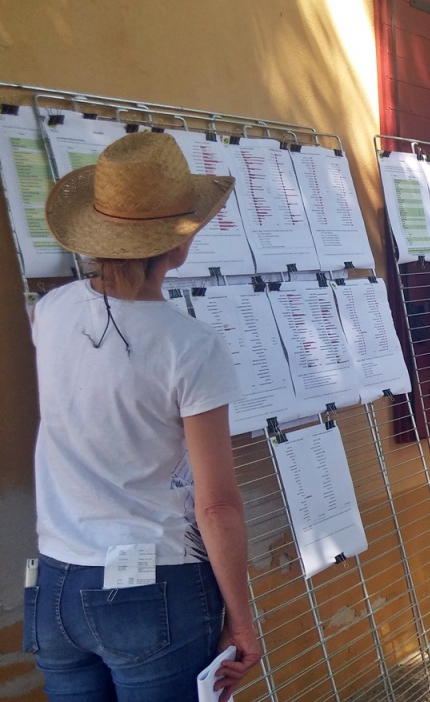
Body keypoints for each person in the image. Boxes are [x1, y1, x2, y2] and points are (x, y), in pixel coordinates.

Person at [26, 132, 262, 701]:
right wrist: (242, 619)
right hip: (155, 585)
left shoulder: (51, 312)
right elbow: (216, 505)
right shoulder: (191, 347)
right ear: (179, 244)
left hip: (55, 583)